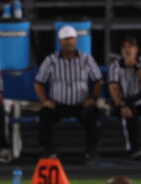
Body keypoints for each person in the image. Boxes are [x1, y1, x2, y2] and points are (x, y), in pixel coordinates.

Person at [34, 25, 104, 161]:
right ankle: (48, 149)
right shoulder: (51, 60)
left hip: (81, 104)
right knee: (43, 115)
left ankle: (91, 149)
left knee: (93, 114)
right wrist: (44, 100)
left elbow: (98, 81)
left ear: (76, 40)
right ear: (60, 41)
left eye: (71, 39)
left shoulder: (86, 59)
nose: (68, 42)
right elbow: (38, 82)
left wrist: (93, 98)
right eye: (65, 39)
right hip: (58, 104)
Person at [107, 37, 141, 158]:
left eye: (130, 47)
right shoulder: (115, 65)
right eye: (124, 47)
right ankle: (133, 149)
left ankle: (134, 148)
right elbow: (113, 87)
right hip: (123, 100)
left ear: (136, 50)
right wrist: (122, 105)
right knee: (128, 112)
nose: (127, 50)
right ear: (121, 51)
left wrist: (135, 67)